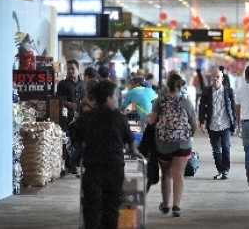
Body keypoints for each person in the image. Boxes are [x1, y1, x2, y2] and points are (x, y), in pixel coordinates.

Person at [73, 80, 143, 229]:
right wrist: (135, 153)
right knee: (111, 207)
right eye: (116, 96)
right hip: (114, 169)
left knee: (92, 206)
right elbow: (131, 143)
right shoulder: (119, 118)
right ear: (108, 98)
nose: (117, 100)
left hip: (92, 169)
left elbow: (77, 142)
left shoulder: (85, 118)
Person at [148, 72, 196, 217]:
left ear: (166, 85)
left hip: (164, 144)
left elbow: (152, 121)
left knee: (166, 174)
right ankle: (176, 206)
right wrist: (189, 136)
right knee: (179, 175)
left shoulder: (159, 102)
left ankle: (165, 205)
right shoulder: (187, 102)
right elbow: (193, 124)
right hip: (183, 143)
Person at [199, 68, 237, 180]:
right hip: (212, 124)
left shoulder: (229, 91)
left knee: (225, 147)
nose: (215, 79)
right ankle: (220, 170)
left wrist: (235, 123)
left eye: (218, 77)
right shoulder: (206, 91)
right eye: (214, 77)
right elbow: (201, 108)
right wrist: (202, 122)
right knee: (216, 149)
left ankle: (225, 170)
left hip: (225, 124)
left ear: (222, 79)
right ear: (211, 78)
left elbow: (234, 109)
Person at [56, 59, 85, 174]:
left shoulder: (83, 84)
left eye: (73, 68)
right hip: (67, 117)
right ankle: (69, 164)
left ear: (78, 70)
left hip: (82, 117)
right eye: (68, 69)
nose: (70, 71)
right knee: (67, 140)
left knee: (80, 140)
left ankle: (77, 163)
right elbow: (58, 99)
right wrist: (68, 104)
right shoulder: (62, 84)